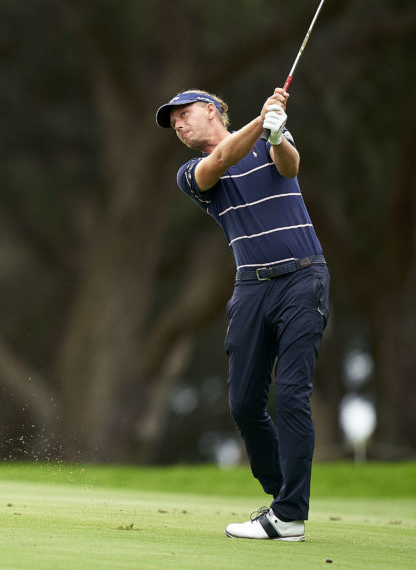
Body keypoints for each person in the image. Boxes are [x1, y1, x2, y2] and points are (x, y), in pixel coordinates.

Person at [155, 87, 331, 542]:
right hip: (251, 287)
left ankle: (289, 515)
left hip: (302, 278)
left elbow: (290, 166)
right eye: (172, 121)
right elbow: (220, 164)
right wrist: (262, 121)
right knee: (244, 404)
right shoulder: (190, 173)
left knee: (292, 394)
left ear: (211, 110)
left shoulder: (266, 140)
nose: (178, 124)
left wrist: (276, 134)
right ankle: (280, 496)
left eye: (184, 114)